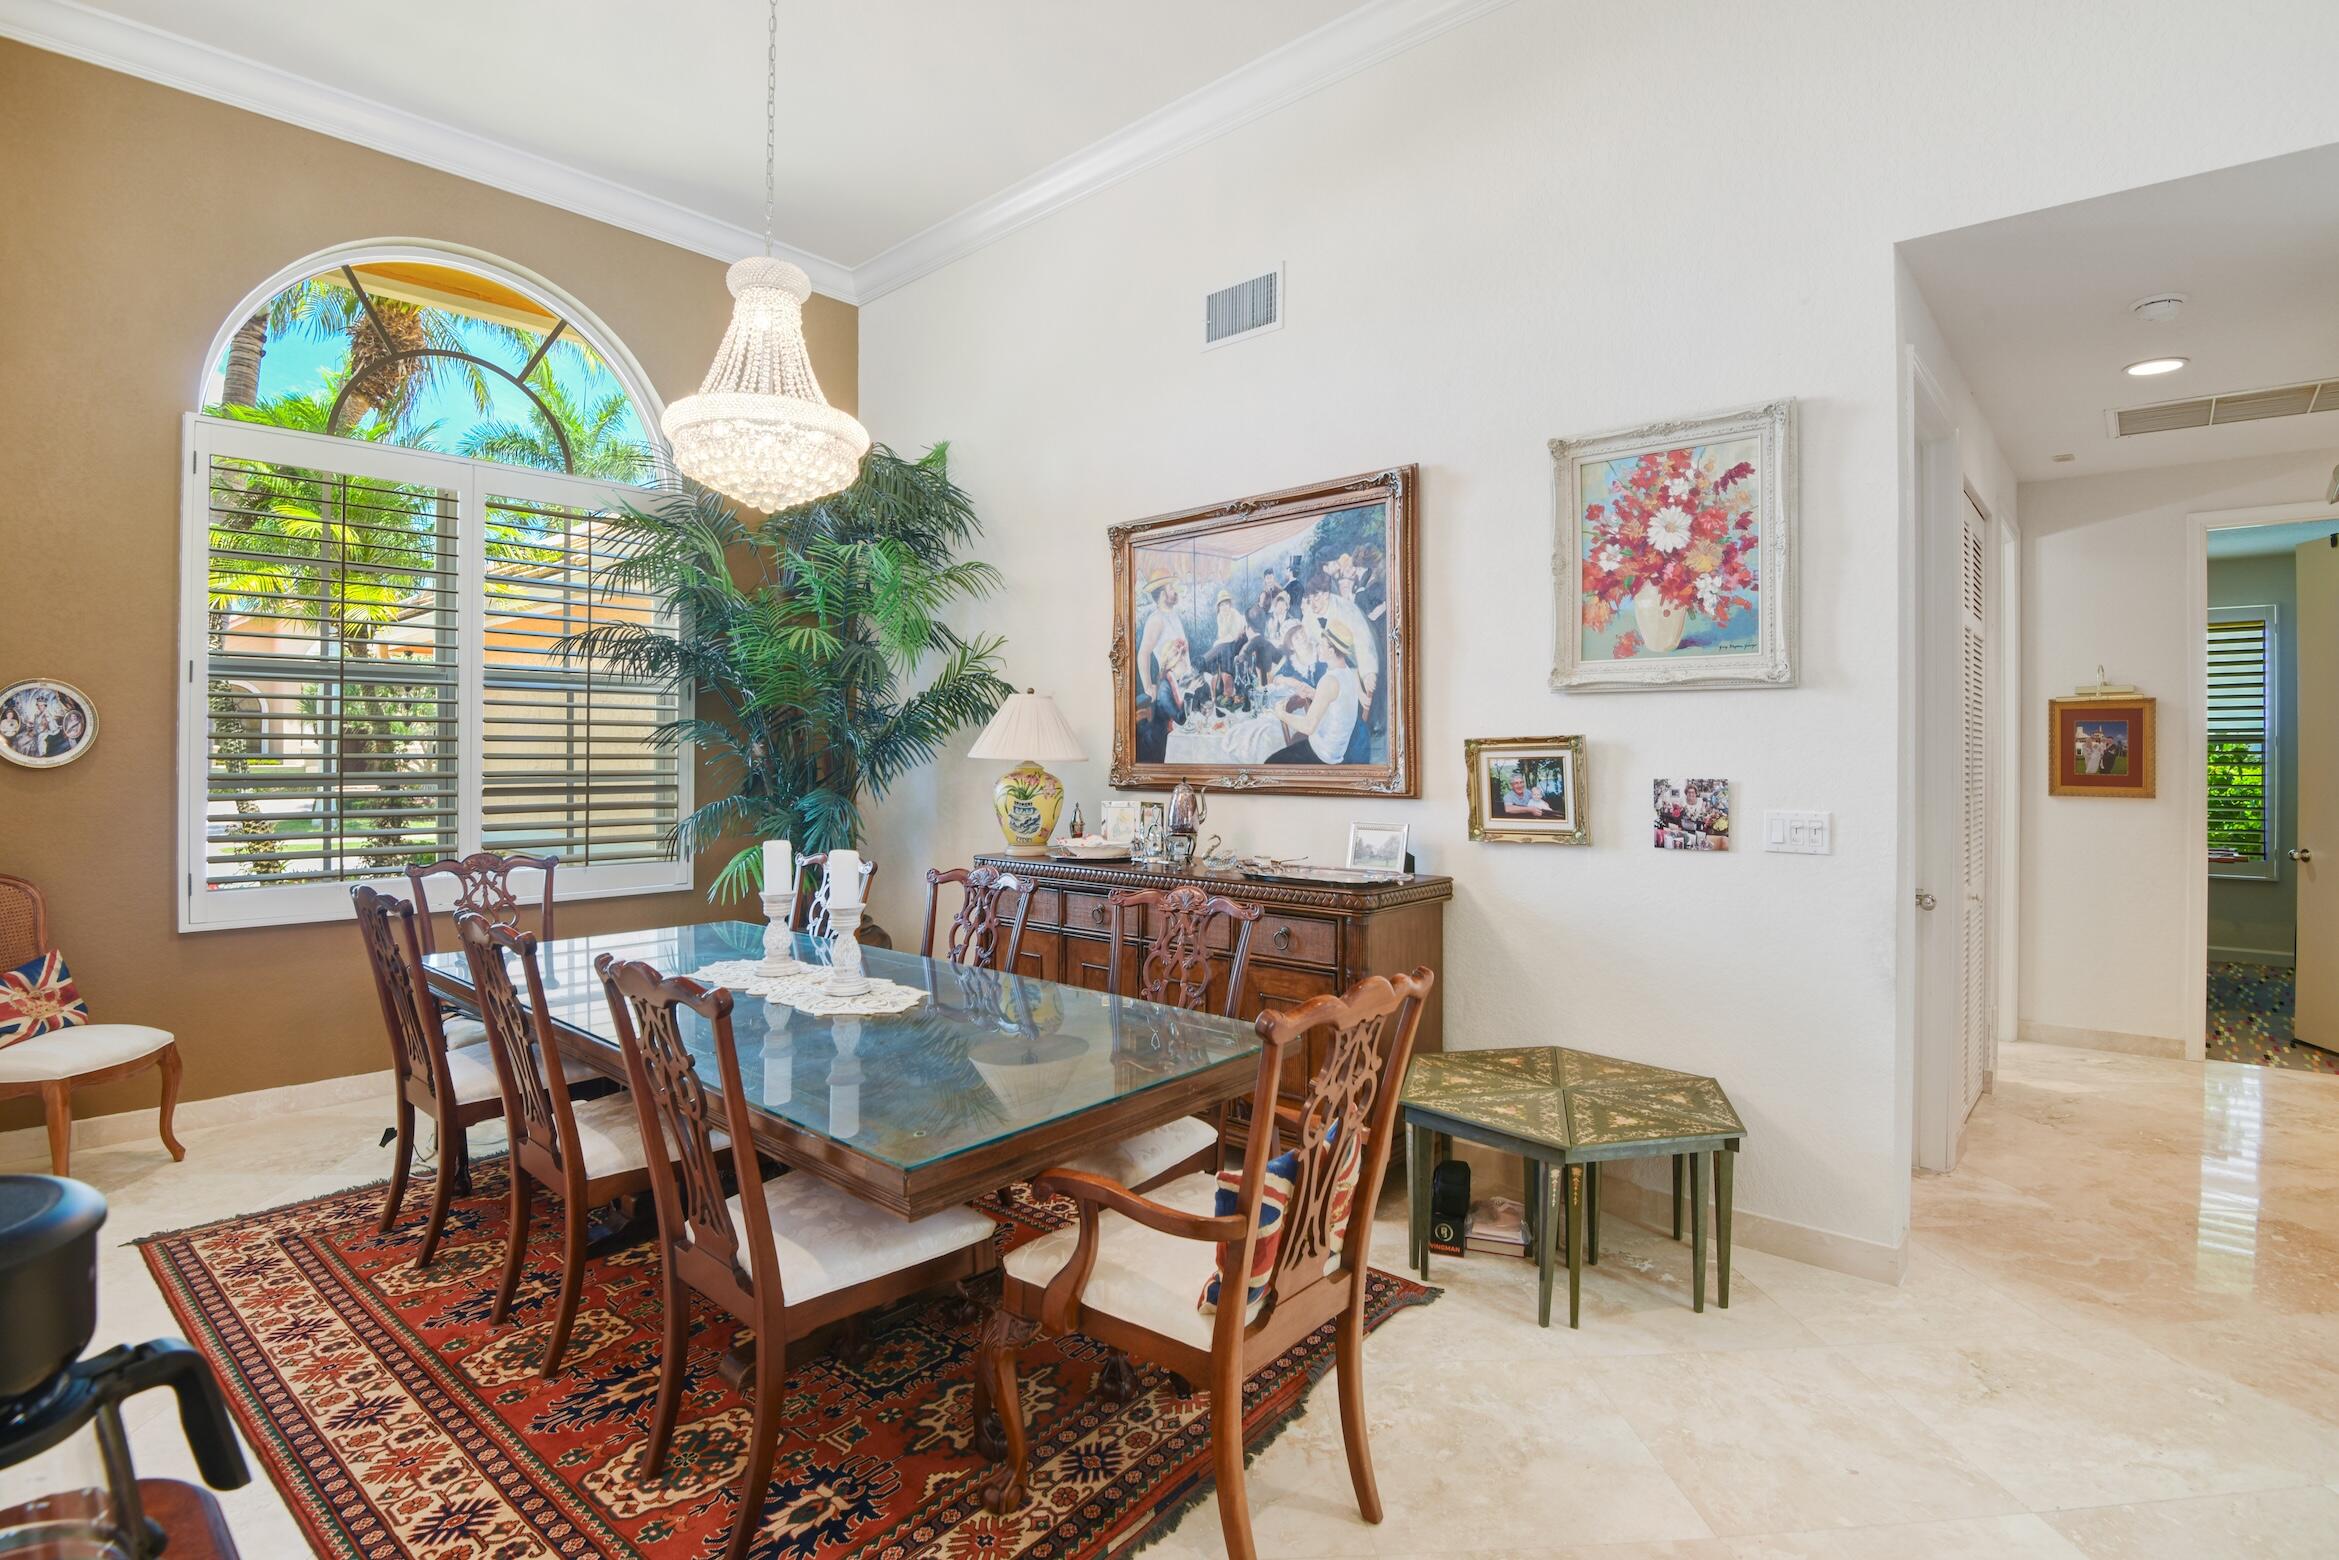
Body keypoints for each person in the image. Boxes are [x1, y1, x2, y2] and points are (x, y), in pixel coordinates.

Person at [1266, 618, 1362, 766]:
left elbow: (1308, 727)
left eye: (1322, 645)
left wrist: (1282, 715)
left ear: (1330, 651)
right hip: (1337, 748)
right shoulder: (1347, 673)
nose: (1317, 648)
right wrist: (1314, 693)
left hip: (1323, 754)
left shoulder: (1329, 680)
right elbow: (1334, 701)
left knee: (1270, 763)